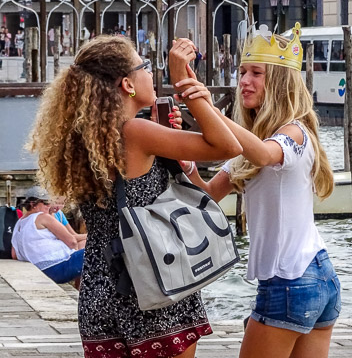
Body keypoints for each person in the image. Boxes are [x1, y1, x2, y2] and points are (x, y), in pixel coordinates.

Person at [28, 35, 242, 357]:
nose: (151, 74)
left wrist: (164, 141)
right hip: (152, 279)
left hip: (100, 288)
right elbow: (229, 147)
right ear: (127, 84)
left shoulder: (86, 140)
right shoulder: (136, 132)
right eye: (145, 67)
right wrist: (186, 85)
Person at [175, 23, 341, 358]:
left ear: (279, 83)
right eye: (242, 72)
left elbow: (265, 155)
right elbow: (207, 197)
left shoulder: (294, 133)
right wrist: (187, 163)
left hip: (291, 279)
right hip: (318, 278)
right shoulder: (249, 147)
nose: (245, 81)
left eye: (257, 73)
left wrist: (206, 105)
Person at [11, 186, 85, 285]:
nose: (49, 206)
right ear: (33, 204)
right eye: (46, 203)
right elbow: (72, 241)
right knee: (98, 250)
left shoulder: (19, 223)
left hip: (40, 270)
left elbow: (14, 254)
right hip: (59, 268)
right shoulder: (43, 217)